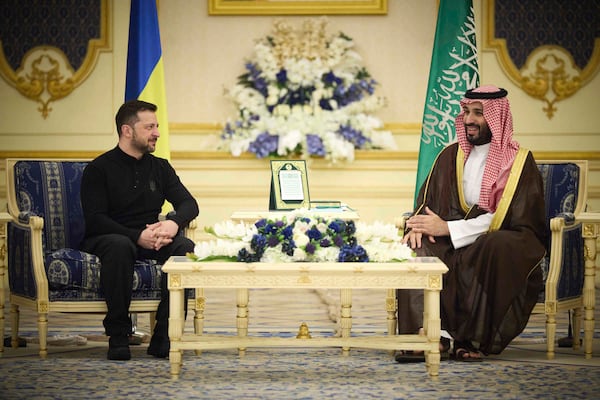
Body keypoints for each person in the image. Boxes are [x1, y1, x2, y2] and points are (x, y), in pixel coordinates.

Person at [396, 85, 546, 362]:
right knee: (415, 247)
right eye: (466, 111)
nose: (469, 120)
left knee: (494, 245)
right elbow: (428, 203)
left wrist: (450, 229)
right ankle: (428, 335)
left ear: (497, 117)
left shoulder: (519, 162)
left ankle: (473, 340)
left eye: (478, 113)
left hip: (502, 240)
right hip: (453, 240)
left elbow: (514, 216)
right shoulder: (449, 156)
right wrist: (418, 226)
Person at [80, 100, 199, 361]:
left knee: (184, 247)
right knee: (120, 246)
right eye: (149, 127)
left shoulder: (160, 167)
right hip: (109, 238)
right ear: (127, 131)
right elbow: (95, 219)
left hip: (152, 238)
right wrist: (136, 236)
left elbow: (190, 204)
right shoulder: (99, 169)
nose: (157, 132)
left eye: (156, 126)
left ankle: (165, 336)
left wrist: (172, 223)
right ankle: (119, 336)